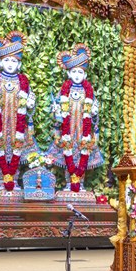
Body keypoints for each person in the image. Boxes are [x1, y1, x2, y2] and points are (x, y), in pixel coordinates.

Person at [0, 31, 36, 192]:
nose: (10, 64)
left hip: (18, 124)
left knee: (17, 148)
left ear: (19, 64)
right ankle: (2, 182)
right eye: (6, 60)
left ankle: (14, 181)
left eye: (14, 61)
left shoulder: (22, 81)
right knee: (0, 148)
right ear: (0, 62)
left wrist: (31, 103)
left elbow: (30, 104)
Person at [49, 42, 103, 193]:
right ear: (69, 74)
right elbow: (56, 114)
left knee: (83, 152)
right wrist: (56, 111)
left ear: (85, 75)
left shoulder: (88, 92)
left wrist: (94, 112)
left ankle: (81, 183)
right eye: (74, 72)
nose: (77, 75)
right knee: (68, 151)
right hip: (68, 130)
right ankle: (68, 183)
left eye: (80, 72)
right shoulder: (64, 91)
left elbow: (95, 115)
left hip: (83, 131)